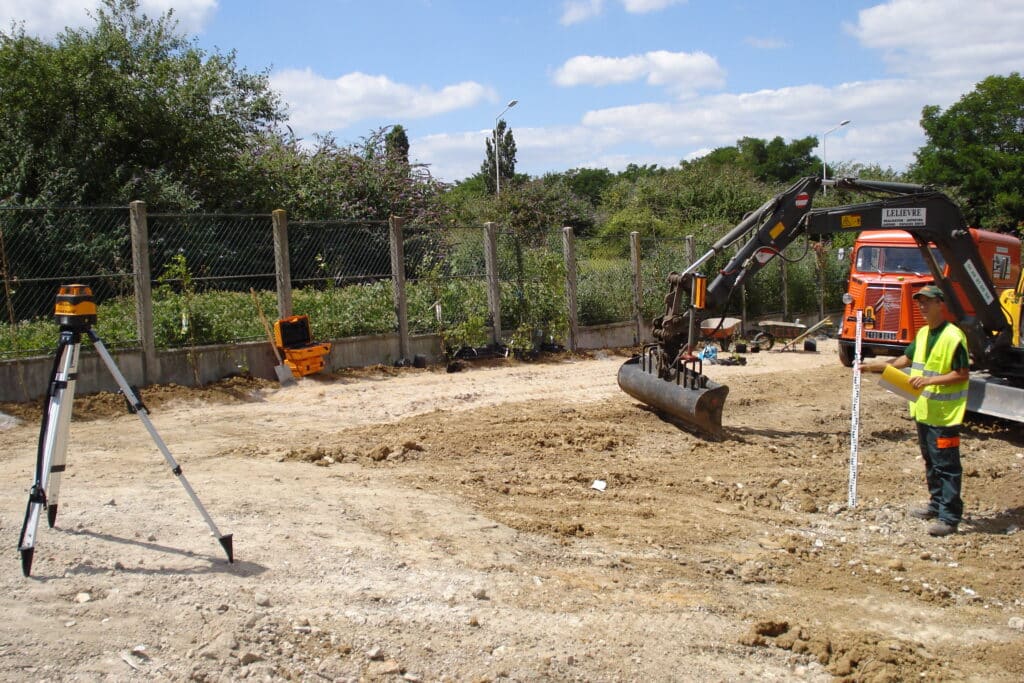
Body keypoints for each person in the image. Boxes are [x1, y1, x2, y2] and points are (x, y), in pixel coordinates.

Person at [860, 285, 970, 537]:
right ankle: (936, 504)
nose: (923, 307)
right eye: (920, 303)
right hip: (923, 410)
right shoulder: (922, 334)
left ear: (940, 304)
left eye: (927, 302)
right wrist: (875, 367)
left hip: (944, 414)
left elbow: (962, 373)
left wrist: (929, 382)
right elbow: (906, 360)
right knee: (931, 462)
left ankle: (950, 516)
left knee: (947, 465)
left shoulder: (954, 336)